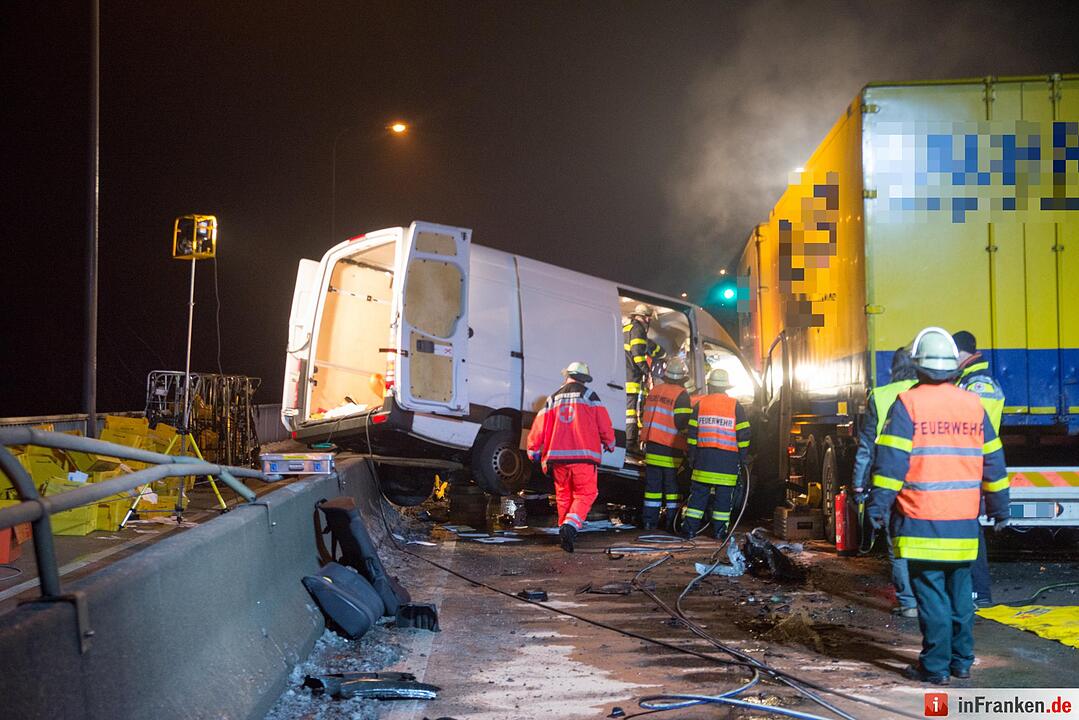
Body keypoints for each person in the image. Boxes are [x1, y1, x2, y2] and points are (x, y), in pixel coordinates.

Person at [867, 327, 1009, 684]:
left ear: (918, 367)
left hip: (921, 520)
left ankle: (934, 667)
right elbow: (994, 461)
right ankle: (962, 661)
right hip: (963, 522)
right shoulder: (973, 405)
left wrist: (877, 507)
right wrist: (1000, 507)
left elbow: (891, 465)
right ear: (954, 367)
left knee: (931, 597)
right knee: (960, 594)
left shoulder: (909, 404)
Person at [852, 347, 919, 617]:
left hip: (889, 479)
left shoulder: (879, 396)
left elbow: (866, 448)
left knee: (898, 543)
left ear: (893, 370)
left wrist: (859, 486)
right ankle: (930, 597)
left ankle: (908, 602)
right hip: (922, 478)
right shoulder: (925, 395)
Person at [527, 361, 615, 553]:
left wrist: (533, 449)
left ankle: (564, 533)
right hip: (583, 457)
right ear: (584, 379)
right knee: (586, 493)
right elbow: (603, 423)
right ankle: (570, 526)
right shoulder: (590, 396)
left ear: (567, 376)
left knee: (563, 496)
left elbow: (539, 426)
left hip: (557, 458)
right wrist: (610, 442)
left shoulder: (553, 398)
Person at [953, 330, 1006, 607]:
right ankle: (974, 590)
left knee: (971, 531)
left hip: (972, 465)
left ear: (962, 353)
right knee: (968, 528)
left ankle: (979, 592)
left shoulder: (978, 385)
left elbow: (976, 431)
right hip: (971, 464)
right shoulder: (970, 382)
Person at [684, 368, 751, 539]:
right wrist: (743, 457)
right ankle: (720, 532)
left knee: (698, 498)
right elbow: (743, 434)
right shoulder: (735, 406)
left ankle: (690, 530)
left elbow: (692, 434)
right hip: (726, 463)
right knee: (723, 500)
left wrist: (692, 456)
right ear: (725, 387)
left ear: (710, 386)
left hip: (703, 461)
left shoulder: (700, 405)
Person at [639, 357, 693, 530]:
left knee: (652, 489)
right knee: (672, 489)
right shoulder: (681, 395)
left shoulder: (655, 390)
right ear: (683, 377)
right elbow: (682, 423)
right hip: (671, 449)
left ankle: (649, 522)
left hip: (652, 447)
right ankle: (671, 522)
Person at [623, 304, 665, 450]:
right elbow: (638, 355)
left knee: (628, 412)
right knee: (631, 413)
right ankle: (630, 443)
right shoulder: (638, 329)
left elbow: (645, 347)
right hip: (632, 379)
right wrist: (648, 373)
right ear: (646, 318)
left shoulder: (626, 329)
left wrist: (660, 352)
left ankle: (628, 441)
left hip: (624, 377)